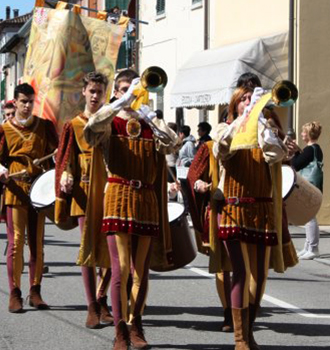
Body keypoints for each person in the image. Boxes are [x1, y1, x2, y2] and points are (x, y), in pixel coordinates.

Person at [84, 69, 180, 350]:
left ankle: (135, 323)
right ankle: (119, 331)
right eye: (124, 88)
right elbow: (90, 131)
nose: (131, 93)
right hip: (117, 195)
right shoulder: (108, 121)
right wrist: (119, 103)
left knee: (141, 271)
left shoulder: (149, 122)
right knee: (121, 268)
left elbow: (172, 143)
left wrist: (151, 116)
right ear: (116, 91)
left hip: (146, 199)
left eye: (134, 89)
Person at [214, 84, 294, 349]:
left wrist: (262, 124)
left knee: (259, 277)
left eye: (252, 99)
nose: (248, 102)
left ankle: (247, 332)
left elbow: (275, 155)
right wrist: (245, 118)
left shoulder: (264, 129)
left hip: (261, 209)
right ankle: (240, 340)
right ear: (235, 103)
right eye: (243, 99)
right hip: (234, 208)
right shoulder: (224, 127)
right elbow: (221, 149)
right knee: (240, 271)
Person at [185, 88, 254, 335]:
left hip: (250, 207)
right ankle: (229, 313)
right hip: (220, 206)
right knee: (226, 265)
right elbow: (193, 173)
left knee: (247, 266)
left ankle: (246, 314)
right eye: (243, 100)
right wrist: (200, 184)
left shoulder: (256, 138)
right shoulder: (212, 143)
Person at [0, 83, 59, 313]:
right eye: (23, 102)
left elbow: (57, 154)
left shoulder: (44, 127)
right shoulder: (4, 130)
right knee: (16, 243)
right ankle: (15, 292)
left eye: (30, 101)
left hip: (39, 190)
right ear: (14, 102)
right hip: (15, 189)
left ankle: (35, 291)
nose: (27, 106)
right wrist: (0, 171)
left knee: (37, 242)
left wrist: (57, 156)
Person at [55, 71, 114, 329]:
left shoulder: (113, 122)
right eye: (91, 91)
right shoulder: (74, 124)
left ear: (104, 94)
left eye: (99, 92)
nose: (94, 95)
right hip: (85, 192)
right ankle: (92, 306)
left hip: (110, 192)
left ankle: (102, 298)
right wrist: (66, 174)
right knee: (88, 250)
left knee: (113, 250)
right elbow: (66, 158)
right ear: (84, 92)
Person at [289, 122, 324, 259]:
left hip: (310, 184)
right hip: (314, 184)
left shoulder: (310, 149)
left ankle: (313, 248)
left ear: (309, 134)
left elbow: (296, 164)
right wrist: (298, 151)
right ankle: (308, 246)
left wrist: (296, 152)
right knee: (308, 216)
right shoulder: (315, 149)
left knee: (309, 216)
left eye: (303, 132)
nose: (302, 134)